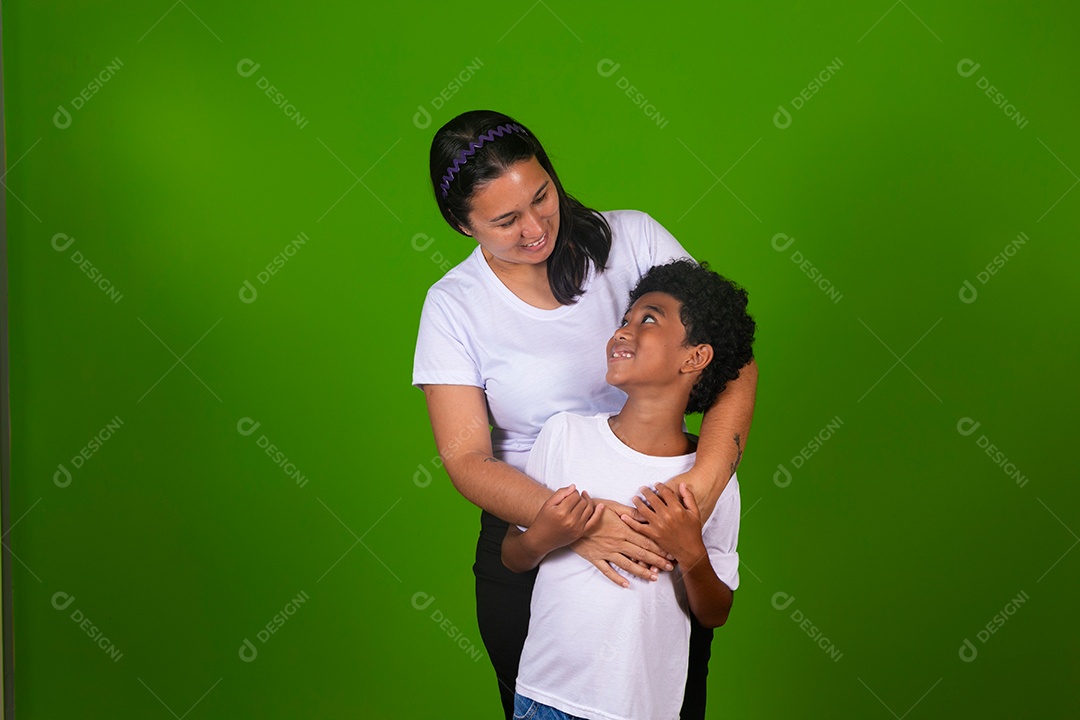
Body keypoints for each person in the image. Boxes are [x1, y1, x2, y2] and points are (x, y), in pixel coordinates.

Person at [412, 110, 758, 719]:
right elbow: (466, 459)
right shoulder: (452, 306)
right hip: (533, 524)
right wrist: (578, 525)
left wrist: (699, 492)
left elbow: (732, 358)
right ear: (462, 225)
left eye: (541, 197)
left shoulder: (635, 238)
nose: (535, 228)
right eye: (505, 221)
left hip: (658, 523)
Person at [502, 259, 755, 720]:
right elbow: (514, 555)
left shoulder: (712, 480)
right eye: (624, 319)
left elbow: (715, 612)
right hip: (545, 699)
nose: (623, 331)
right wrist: (548, 534)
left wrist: (691, 553)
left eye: (649, 320)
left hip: (643, 710)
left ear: (694, 357)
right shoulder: (564, 435)